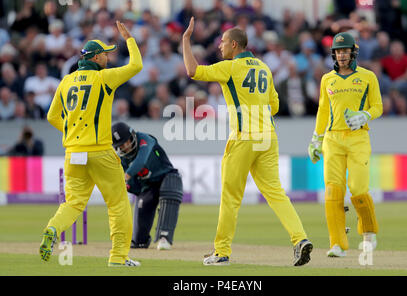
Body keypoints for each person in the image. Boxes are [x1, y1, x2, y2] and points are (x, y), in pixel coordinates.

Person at [182, 17, 313, 266]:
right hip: (269, 137)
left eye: (222, 43)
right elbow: (274, 105)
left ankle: (221, 252)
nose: (219, 47)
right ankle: (300, 239)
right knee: (276, 194)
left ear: (233, 45)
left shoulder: (229, 68)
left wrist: (186, 40)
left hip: (243, 138)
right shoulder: (264, 68)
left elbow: (192, 71)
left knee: (231, 197)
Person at [39, 21, 143, 267]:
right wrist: (129, 38)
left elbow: (52, 116)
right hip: (100, 152)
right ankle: (118, 258)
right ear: (95, 58)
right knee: (118, 204)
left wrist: (72, 130)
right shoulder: (104, 78)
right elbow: (137, 65)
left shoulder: (65, 82)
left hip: (73, 153)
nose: (107, 57)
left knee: (73, 204)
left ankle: (53, 229)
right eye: (105, 54)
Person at [308, 32, 383, 257]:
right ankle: (337, 244)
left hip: (358, 138)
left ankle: (368, 231)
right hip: (332, 139)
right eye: (338, 51)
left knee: (358, 191)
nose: (341, 55)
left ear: (353, 52)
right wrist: (316, 138)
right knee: (332, 192)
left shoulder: (368, 76)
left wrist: (365, 115)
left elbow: (378, 106)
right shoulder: (326, 79)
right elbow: (323, 110)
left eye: (345, 51)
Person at [111, 122, 183, 250]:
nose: (125, 147)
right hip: (148, 186)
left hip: (166, 176)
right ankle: (141, 241)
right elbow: (132, 187)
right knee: (138, 241)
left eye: (126, 142)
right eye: (121, 145)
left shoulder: (145, 139)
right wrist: (127, 186)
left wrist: (126, 176)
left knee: (170, 189)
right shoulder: (120, 160)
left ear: (132, 135)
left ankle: (164, 237)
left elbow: (141, 160)